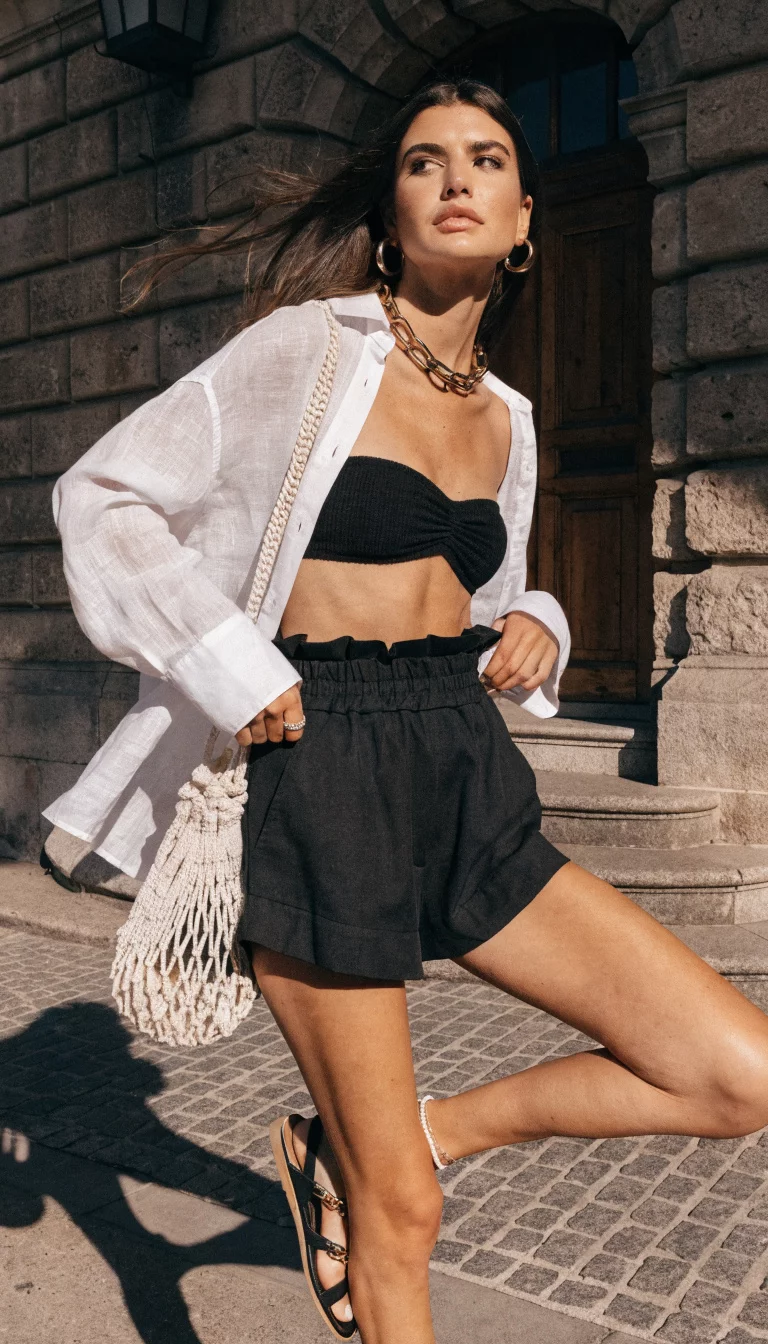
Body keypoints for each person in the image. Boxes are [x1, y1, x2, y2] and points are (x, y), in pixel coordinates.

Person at [43, 80, 768, 1344]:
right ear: (391, 215)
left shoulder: (513, 417)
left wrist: (534, 615)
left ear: (525, 217)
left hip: (463, 761)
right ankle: (383, 1177)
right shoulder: (308, 353)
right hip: (320, 762)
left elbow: (484, 583)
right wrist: (231, 666)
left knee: (733, 1072)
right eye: (425, 161)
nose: (455, 179)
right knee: (403, 1221)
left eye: (486, 159)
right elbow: (100, 497)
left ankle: (408, 1141)